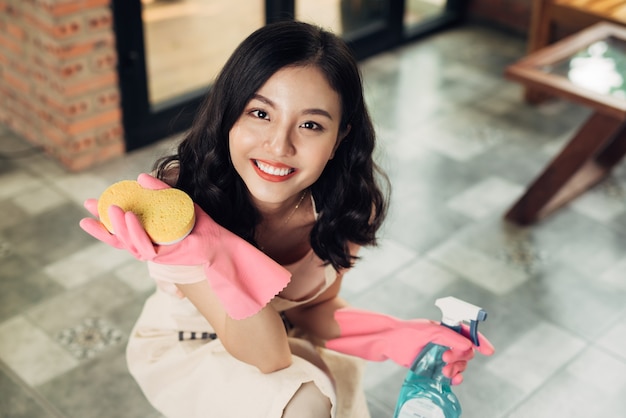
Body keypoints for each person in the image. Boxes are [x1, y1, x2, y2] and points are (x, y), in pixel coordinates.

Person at [80, 20, 494, 418]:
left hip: (279, 336)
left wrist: (392, 336)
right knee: (305, 401)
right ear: (229, 114)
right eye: (260, 114)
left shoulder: (346, 203)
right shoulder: (180, 204)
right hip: (191, 346)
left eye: (311, 124)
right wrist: (213, 247)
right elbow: (267, 357)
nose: (279, 145)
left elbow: (312, 311)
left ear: (339, 139)